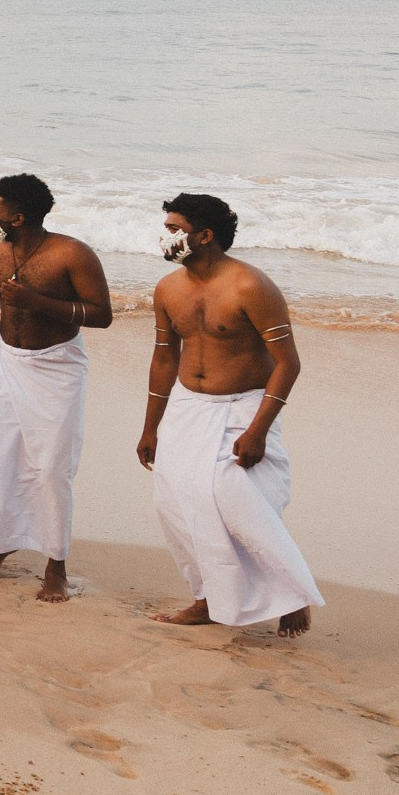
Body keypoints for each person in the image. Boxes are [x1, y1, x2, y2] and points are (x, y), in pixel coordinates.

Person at [139, 194, 321, 637]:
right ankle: (206, 598)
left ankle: (292, 594)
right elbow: (164, 357)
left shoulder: (249, 286)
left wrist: (258, 429)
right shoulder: (168, 288)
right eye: (166, 227)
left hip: (242, 405)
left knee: (236, 500)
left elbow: (288, 363)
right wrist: (150, 427)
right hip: (187, 404)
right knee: (174, 502)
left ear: (204, 236)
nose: (167, 236)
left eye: (175, 228)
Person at [0, 172, 114, 603]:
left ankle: (56, 565)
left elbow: (101, 314)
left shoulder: (72, 254)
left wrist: (37, 303)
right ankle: (3, 540)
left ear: (18, 217)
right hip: (6, 359)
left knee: (51, 468)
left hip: (56, 367)